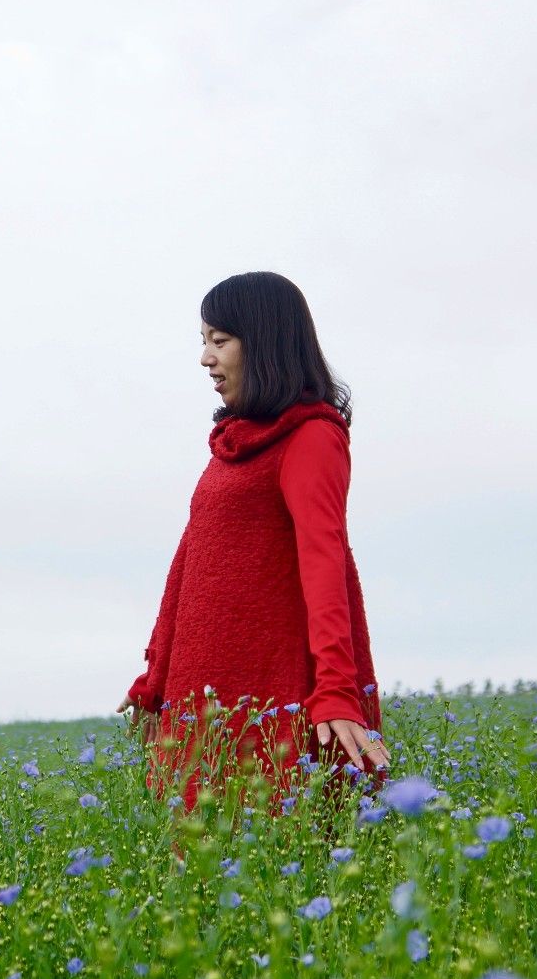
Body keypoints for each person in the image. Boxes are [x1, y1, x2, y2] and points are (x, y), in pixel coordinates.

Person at [116, 272, 391, 840]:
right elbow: (189, 565)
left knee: (276, 858)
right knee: (195, 873)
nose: (204, 358)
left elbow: (325, 562)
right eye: (203, 341)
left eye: (220, 340)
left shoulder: (311, 437)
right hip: (206, 689)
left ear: (262, 342)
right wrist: (156, 678)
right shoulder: (234, 445)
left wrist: (336, 690)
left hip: (271, 690)